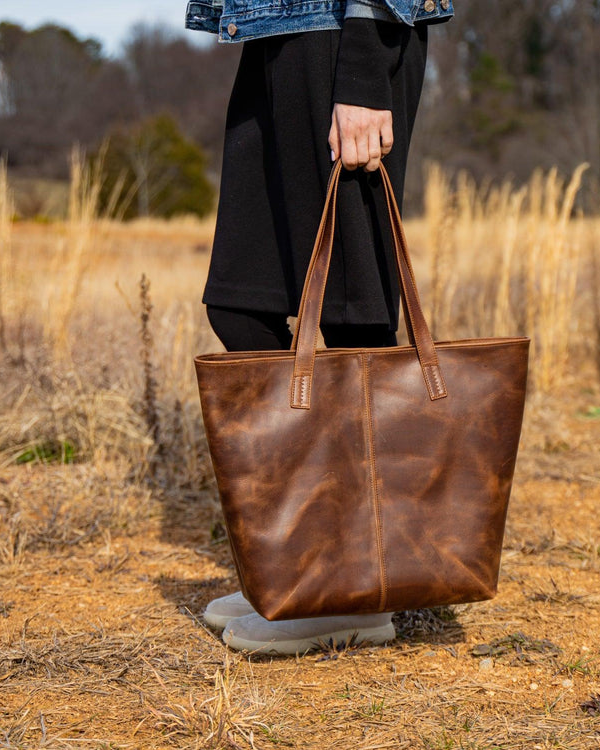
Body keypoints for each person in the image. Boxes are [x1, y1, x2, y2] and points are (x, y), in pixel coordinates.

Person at [185, 0, 454, 654]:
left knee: (351, 311)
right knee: (242, 303)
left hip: (350, 33)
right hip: (273, 28)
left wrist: (363, 70)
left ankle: (352, 587)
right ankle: (306, 565)